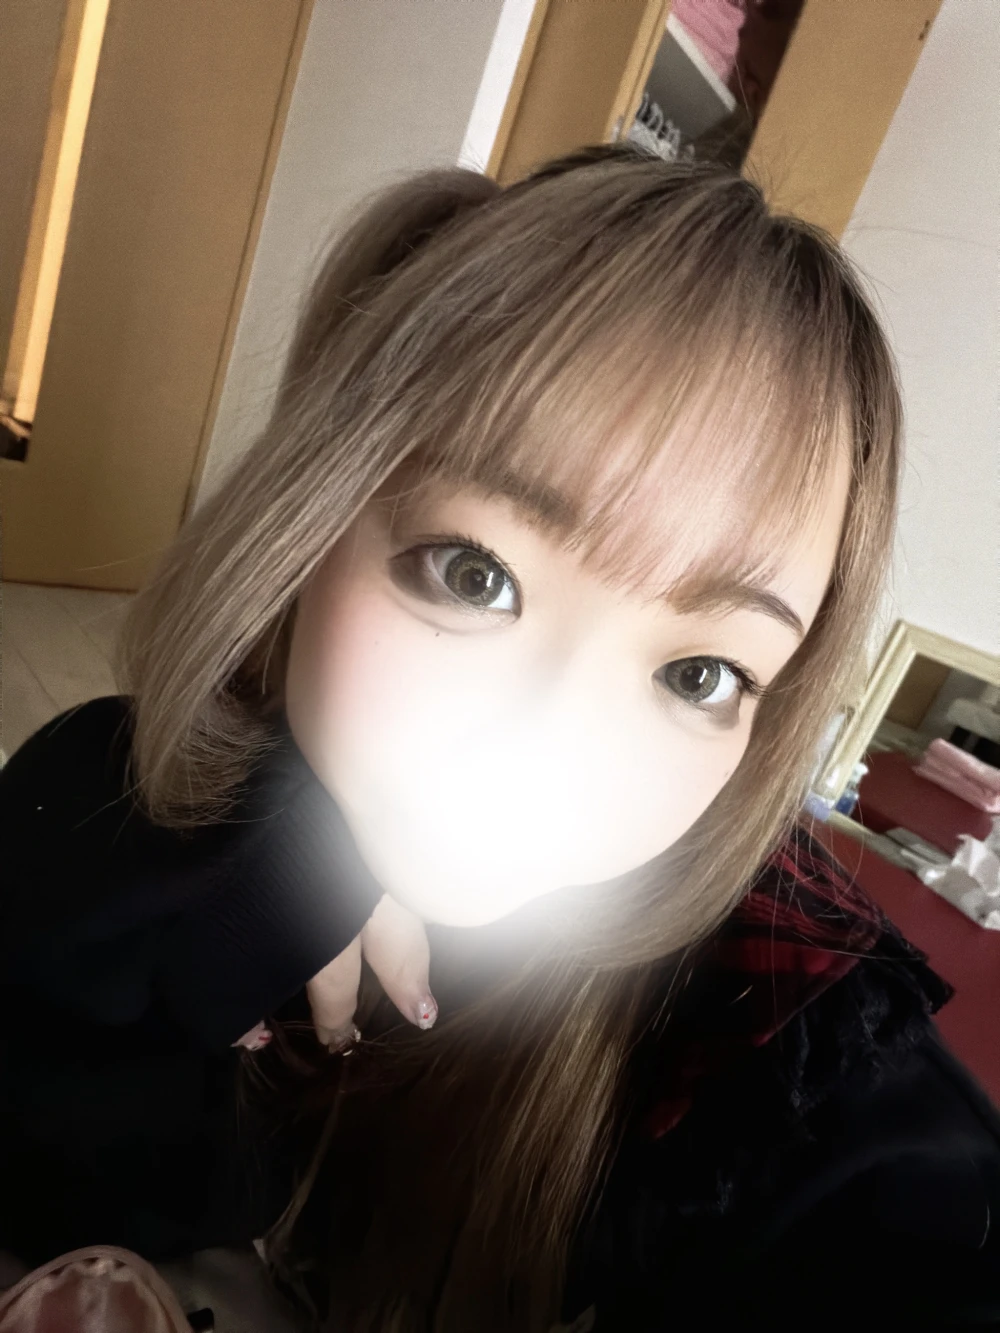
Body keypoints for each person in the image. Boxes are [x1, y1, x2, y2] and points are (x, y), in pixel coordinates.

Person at [1, 146, 998, 1332]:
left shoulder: (792, 1057)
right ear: (312, 519)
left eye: (699, 674)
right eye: (475, 575)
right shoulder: (128, 820)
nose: (556, 736)